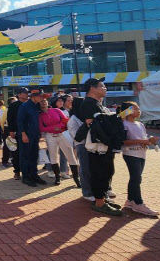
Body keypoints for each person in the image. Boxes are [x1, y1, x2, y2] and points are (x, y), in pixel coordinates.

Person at [77, 77, 121, 216]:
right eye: (102, 86)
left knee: (107, 171)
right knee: (99, 173)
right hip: (97, 145)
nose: (105, 88)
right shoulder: (88, 103)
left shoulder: (98, 103)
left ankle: (102, 199)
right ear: (92, 88)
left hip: (104, 143)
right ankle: (99, 203)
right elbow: (92, 122)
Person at [119, 102, 159, 216]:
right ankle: (138, 203)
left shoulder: (140, 124)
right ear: (128, 111)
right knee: (136, 178)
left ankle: (130, 201)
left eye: (139, 109)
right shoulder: (123, 124)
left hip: (142, 154)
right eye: (135, 109)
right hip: (130, 154)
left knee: (135, 178)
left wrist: (150, 140)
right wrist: (143, 141)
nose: (139, 111)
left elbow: (144, 138)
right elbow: (124, 141)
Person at [38, 99, 79, 186]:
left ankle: (76, 179)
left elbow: (65, 120)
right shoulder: (39, 115)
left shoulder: (56, 110)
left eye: (45, 100)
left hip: (62, 134)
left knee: (70, 156)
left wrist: (58, 127)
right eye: (42, 101)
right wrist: (53, 128)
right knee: (53, 157)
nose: (44, 102)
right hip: (50, 136)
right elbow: (41, 128)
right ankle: (57, 177)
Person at [18, 89, 47, 187]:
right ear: (34, 96)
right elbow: (20, 121)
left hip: (35, 134)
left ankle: (34, 175)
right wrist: (23, 134)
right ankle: (25, 177)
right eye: (40, 96)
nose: (41, 98)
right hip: (27, 134)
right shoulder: (25, 106)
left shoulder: (36, 106)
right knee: (25, 156)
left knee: (34, 155)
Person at [68, 97, 94, 201]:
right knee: (85, 169)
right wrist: (86, 124)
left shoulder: (86, 116)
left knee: (93, 169)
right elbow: (76, 137)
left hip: (92, 145)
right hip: (82, 145)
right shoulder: (73, 120)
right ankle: (87, 192)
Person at [8, 88, 29, 180]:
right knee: (17, 152)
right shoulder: (14, 105)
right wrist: (11, 131)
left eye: (27, 93)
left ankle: (27, 171)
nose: (26, 94)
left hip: (29, 131)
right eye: (24, 93)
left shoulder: (31, 104)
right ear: (19, 95)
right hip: (18, 131)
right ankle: (17, 171)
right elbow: (10, 119)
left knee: (28, 152)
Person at [0, 99, 9, 166]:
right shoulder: (5, 109)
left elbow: (1, 119)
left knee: (7, 144)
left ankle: (6, 159)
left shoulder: (2, 110)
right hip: (6, 127)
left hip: (4, 127)